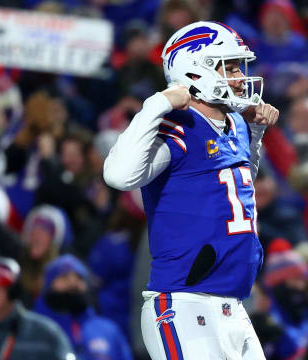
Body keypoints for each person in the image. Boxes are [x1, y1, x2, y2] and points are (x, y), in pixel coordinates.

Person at [104, 21, 279, 360]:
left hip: (233, 305)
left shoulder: (237, 123)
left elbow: (237, 186)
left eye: (238, 67)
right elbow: (118, 175)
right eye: (228, 67)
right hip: (184, 303)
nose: (240, 78)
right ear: (194, 72)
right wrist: (158, 103)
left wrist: (255, 135)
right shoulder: (177, 127)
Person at [33, 254, 133, 360]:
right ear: (48, 286)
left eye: (79, 278)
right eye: (64, 277)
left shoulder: (108, 330)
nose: (73, 283)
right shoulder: (34, 330)